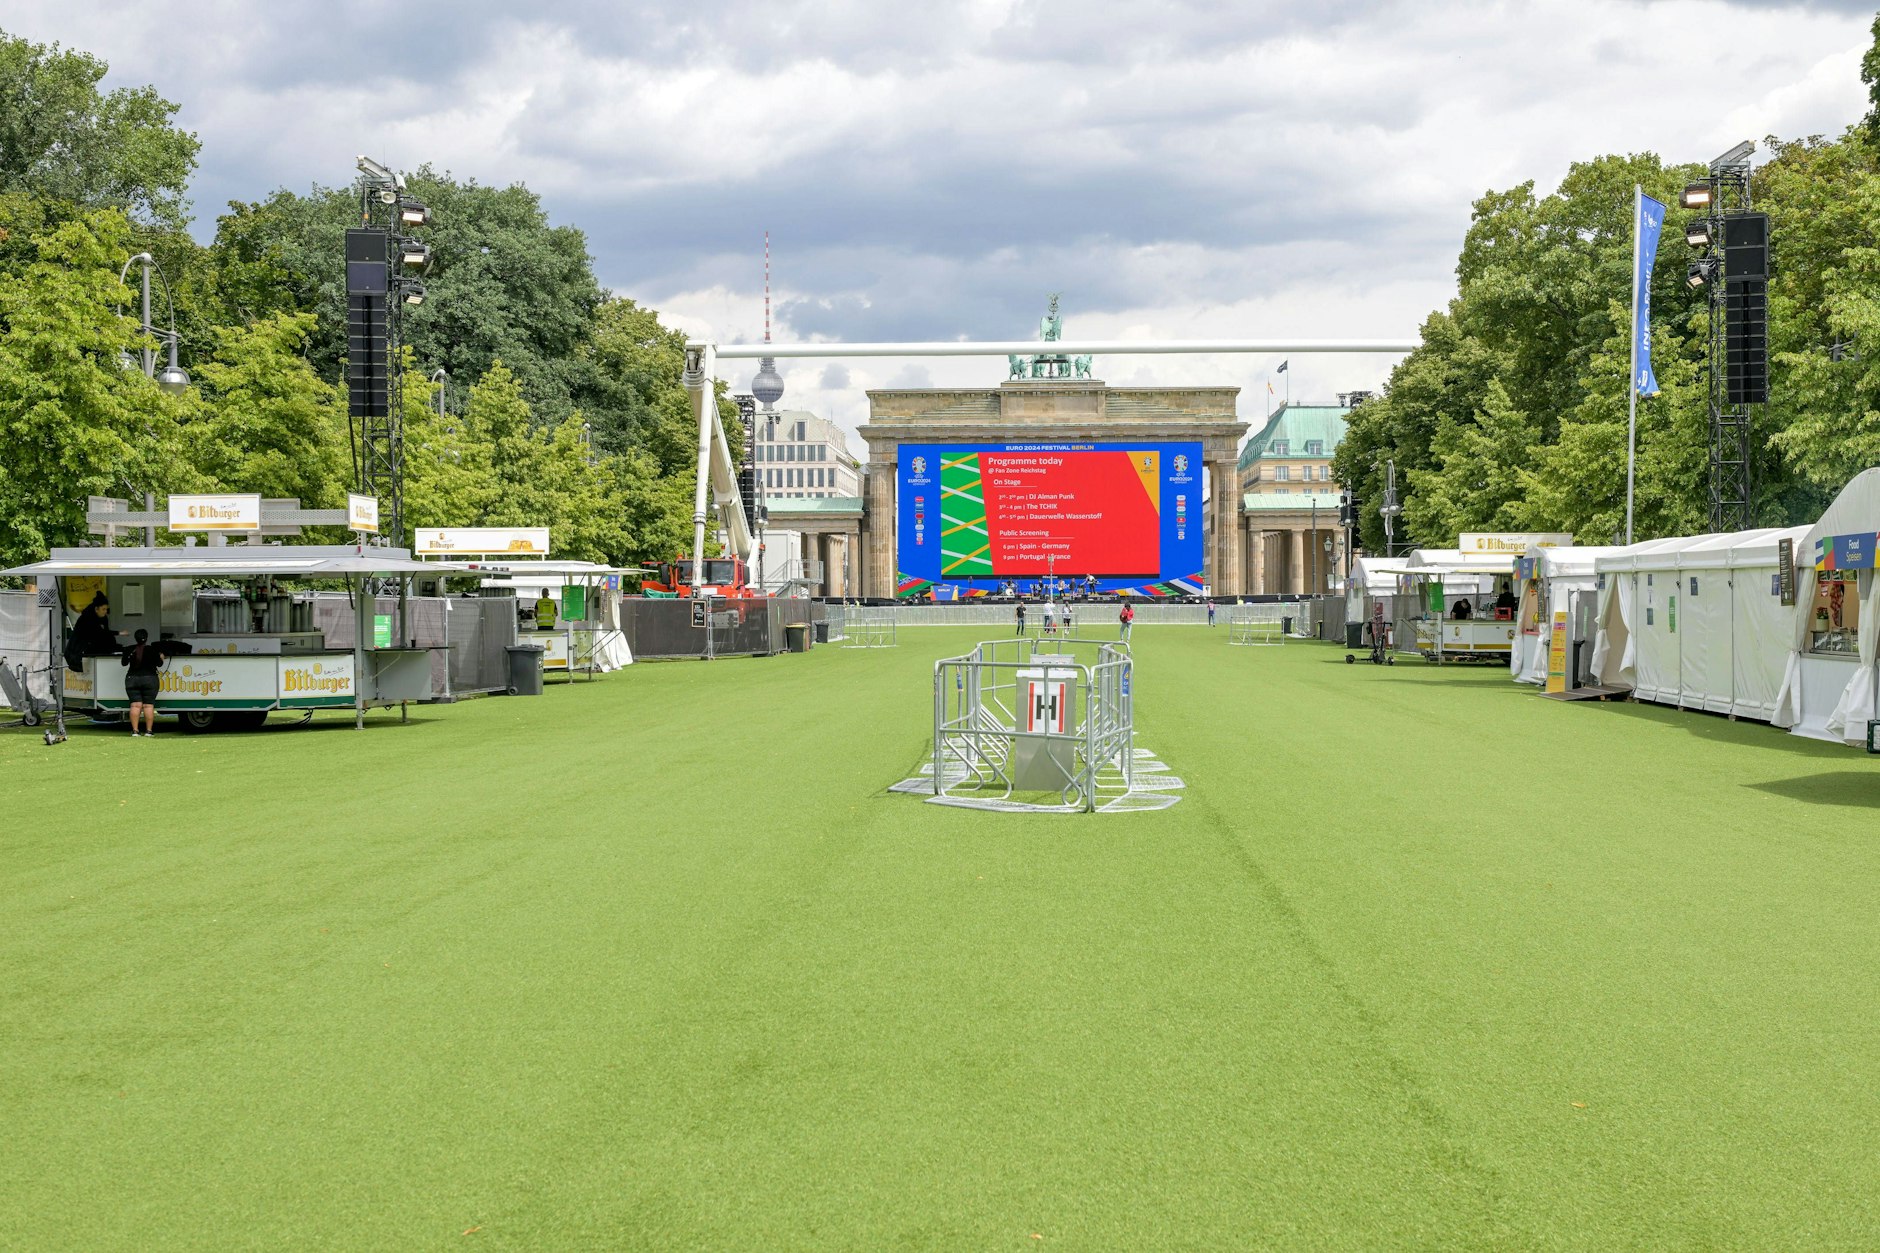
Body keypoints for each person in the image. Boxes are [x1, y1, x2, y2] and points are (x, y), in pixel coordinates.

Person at [120, 628, 165, 737]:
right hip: (150, 679)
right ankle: (148, 731)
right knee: (148, 706)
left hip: (132, 679)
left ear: (135, 638)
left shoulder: (129, 649)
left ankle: (135, 731)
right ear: (146, 638)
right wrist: (162, 658)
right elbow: (159, 664)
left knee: (135, 705)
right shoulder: (152, 649)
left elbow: (123, 663)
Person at [63, 592, 115, 673]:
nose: (105, 612)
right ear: (96, 609)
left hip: (79, 655)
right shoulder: (88, 619)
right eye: (103, 609)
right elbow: (98, 635)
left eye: (106, 609)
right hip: (78, 655)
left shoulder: (100, 618)